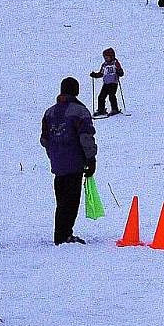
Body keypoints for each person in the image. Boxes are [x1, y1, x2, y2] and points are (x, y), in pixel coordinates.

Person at [40, 77, 98, 245]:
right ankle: (64, 235)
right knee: (71, 201)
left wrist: (54, 154)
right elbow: (86, 137)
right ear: (76, 91)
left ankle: (60, 234)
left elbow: (44, 139)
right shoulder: (80, 111)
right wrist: (91, 159)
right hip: (75, 164)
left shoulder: (49, 112)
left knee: (61, 201)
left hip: (58, 165)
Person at [90, 48, 124, 116]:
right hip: (106, 83)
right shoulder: (104, 65)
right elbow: (101, 73)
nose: (106, 59)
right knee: (101, 96)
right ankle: (101, 109)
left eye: (107, 57)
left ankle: (115, 109)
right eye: (105, 57)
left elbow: (121, 72)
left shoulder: (115, 63)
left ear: (112, 56)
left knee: (111, 96)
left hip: (113, 83)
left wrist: (119, 72)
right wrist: (95, 75)